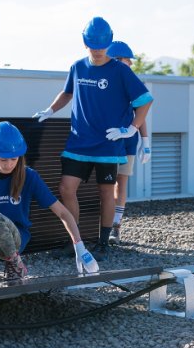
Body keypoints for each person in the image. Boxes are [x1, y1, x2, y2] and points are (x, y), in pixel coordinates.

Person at [32, 17, 154, 262]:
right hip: (78, 143)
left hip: (108, 145)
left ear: (108, 44)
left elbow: (145, 100)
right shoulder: (77, 67)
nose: (97, 50)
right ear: (85, 43)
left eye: (101, 45)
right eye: (93, 45)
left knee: (106, 192)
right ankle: (75, 241)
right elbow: (67, 92)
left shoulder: (120, 71)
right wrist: (50, 110)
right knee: (66, 188)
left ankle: (103, 243)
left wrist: (131, 130)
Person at [0, 122, 99, 287]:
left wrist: (79, 245)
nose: (9, 164)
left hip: (15, 238)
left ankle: (14, 264)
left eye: (14, 158)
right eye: (3, 159)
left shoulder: (29, 176)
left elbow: (62, 213)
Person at [105, 41, 152, 244]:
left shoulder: (132, 82)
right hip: (105, 141)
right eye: (127, 60)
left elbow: (141, 113)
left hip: (128, 141)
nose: (131, 64)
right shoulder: (103, 83)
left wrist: (145, 141)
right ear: (116, 60)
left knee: (121, 182)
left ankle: (116, 226)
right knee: (104, 184)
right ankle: (101, 227)